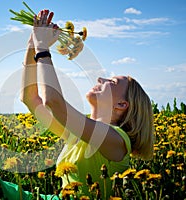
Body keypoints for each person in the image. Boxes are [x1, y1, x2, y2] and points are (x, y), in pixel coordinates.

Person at [20, 9, 154, 198]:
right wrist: (32, 44)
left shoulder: (116, 140)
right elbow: (30, 99)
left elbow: (53, 101)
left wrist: (42, 47)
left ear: (122, 104)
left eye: (113, 82)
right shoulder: (77, 134)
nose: (100, 78)